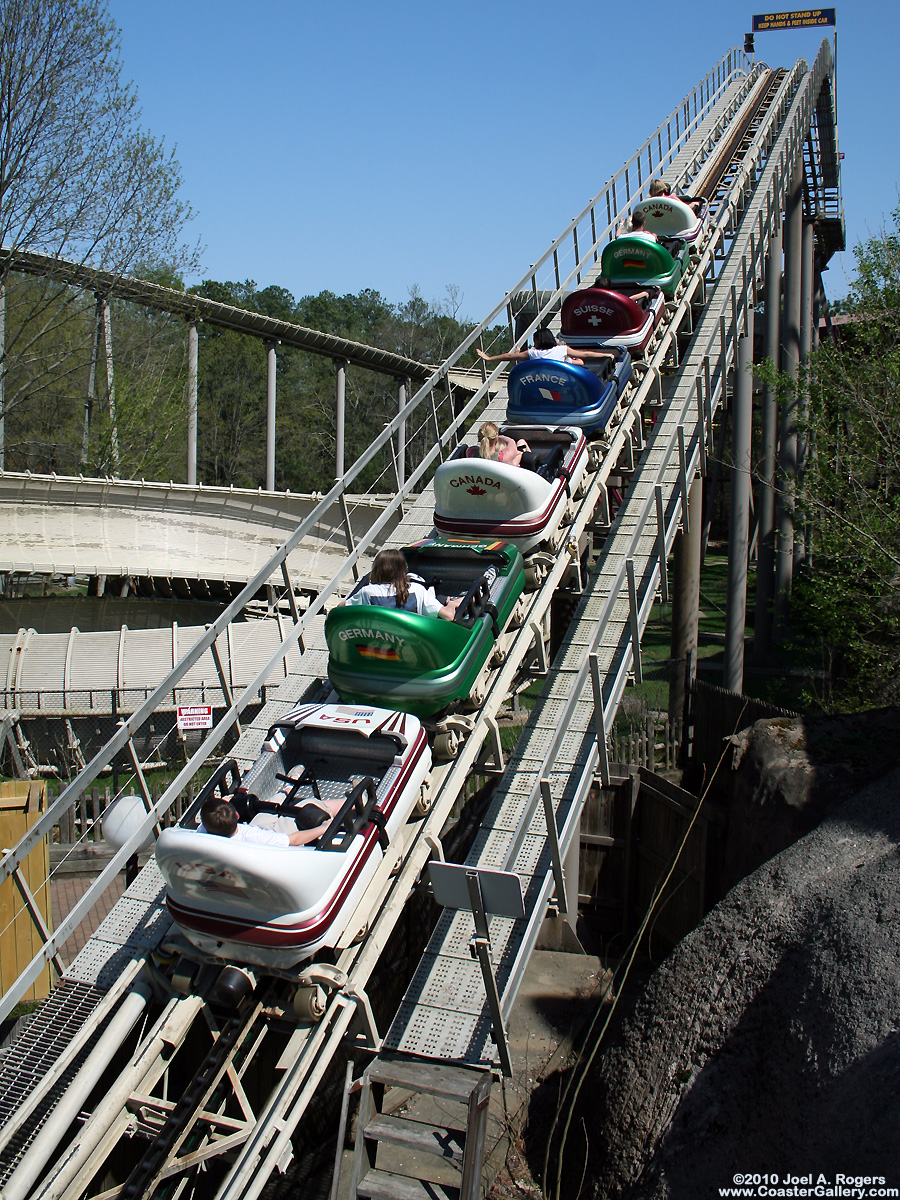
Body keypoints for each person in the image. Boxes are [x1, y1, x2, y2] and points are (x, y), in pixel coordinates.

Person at [346, 548, 461, 620]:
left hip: (378, 646)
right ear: (403, 570)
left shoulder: (367, 592)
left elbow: (341, 608)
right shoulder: (416, 590)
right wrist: (451, 604)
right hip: (412, 646)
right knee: (441, 599)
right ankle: (448, 599)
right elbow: (448, 616)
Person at [200, 795, 330, 847]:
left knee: (271, 803)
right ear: (237, 815)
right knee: (308, 805)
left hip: (256, 826)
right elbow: (293, 840)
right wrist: (323, 828)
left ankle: (287, 789)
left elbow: (212, 816)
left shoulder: (203, 831)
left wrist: (223, 804)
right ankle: (348, 803)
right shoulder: (252, 836)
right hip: (270, 838)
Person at [477, 327, 616, 369]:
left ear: (538, 341)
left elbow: (509, 357)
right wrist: (605, 355)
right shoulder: (562, 349)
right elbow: (584, 355)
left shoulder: (533, 353)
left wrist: (489, 358)